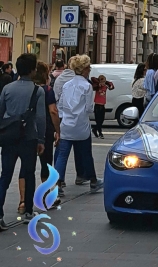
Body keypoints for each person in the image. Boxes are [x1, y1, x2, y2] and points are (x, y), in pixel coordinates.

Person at [0, 53, 46, 230]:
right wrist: (41, 139)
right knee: (28, 173)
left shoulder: (7, 89)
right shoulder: (38, 91)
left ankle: (0, 214)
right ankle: (28, 211)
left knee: (5, 175)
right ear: (33, 70)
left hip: (9, 138)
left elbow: (1, 112)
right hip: (29, 137)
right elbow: (41, 118)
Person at [55, 54, 103, 197]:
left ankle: (58, 184)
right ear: (84, 69)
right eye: (89, 67)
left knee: (62, 156)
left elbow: (61, 105)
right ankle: (93, 180)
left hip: (66, 125)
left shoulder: (67, 85)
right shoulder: (87, 86)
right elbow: (89, 108)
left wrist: (64, 116)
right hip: (81, 125)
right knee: (86, 154)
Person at [53, 56, 88, 189]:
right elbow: (89, 107)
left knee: (61, 152)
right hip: (79, 121)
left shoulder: (60, 80)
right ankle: (83, 175)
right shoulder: (83, 82)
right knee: (82, 150)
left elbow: (57, 99)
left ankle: (58, 182)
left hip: (63, 118)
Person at [30, 61, 61, 209]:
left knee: (27, 165)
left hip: (27, 130)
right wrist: (58, 131)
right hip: (46, 130)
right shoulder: (48, 90)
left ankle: (24, 200)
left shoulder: (29, 89)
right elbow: (53, 111)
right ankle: (47, 196)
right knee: (46, 163)